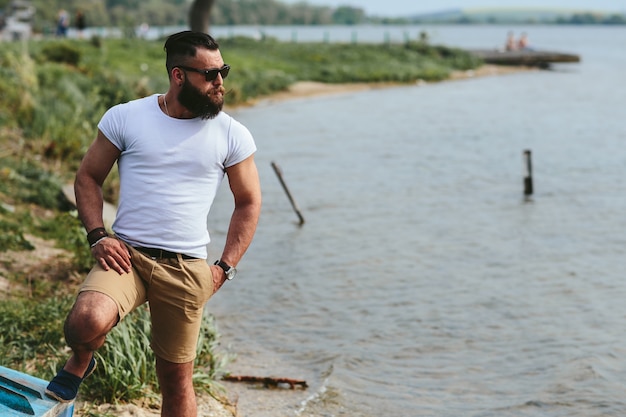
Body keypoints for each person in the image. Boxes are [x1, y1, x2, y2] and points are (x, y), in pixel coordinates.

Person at [45, 31, 262, 417]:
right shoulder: (127, 117)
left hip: (187, 267)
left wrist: (224, 268)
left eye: (223, 71)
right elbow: (88, 177)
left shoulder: (231, 133)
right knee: (83, 323)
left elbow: (248, 203)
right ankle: (81, 359)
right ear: (178, 75)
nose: (220, 82)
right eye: (210, 74)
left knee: (176, 383)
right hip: (126, 256)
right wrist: (97, 235)